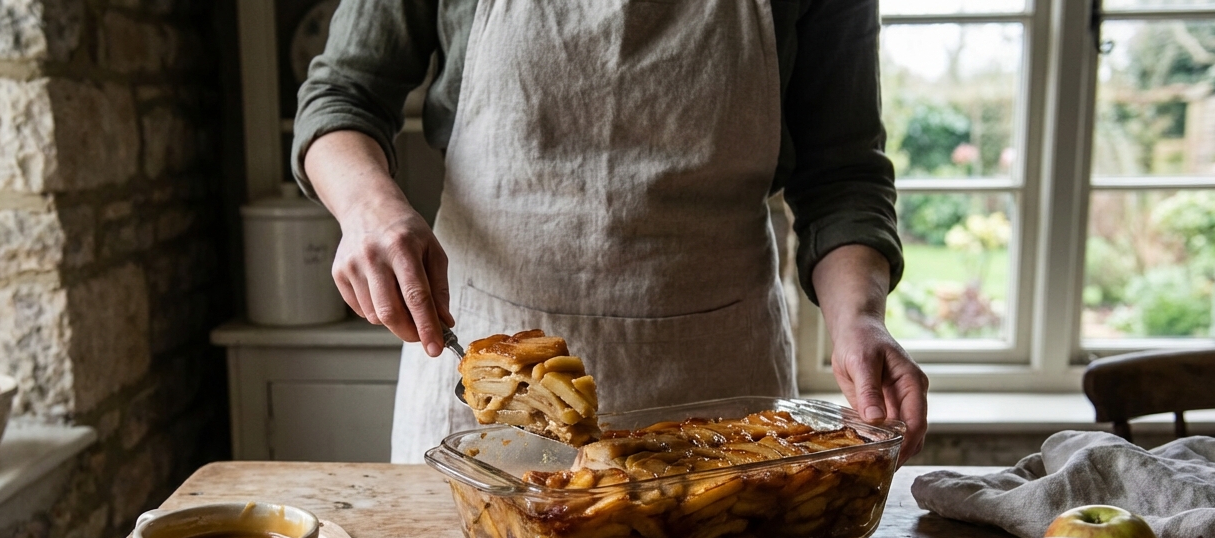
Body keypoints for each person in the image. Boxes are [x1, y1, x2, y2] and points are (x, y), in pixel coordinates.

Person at [295, 0, 928, 464]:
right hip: (482, 359)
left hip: (717, 376)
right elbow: (343, 92)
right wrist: (369, 208)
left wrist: (858, 320)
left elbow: (842, 172)